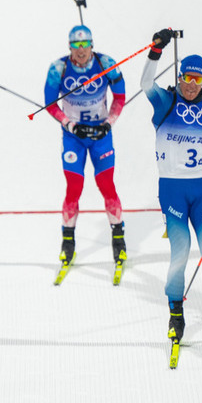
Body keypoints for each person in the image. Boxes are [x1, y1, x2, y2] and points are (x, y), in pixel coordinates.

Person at [142, 30, 202, 345]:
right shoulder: (165, 101)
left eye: (198, 80)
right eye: (187, 79)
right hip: (172, 193)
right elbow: (145, 85)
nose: (191, 86)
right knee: (179, 255)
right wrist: (156, 50)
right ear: (179, 77)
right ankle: (175, 312)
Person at [43, 24, 128, 267]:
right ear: (69, 46)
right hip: (74, 138)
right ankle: (68, 242)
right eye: (76, 45)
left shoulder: (106, 63)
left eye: (85, 44)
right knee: (74, 188)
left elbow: (120, 97)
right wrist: (70, 125)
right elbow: (50, 104)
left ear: (92, 44)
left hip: (101, 136)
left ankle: (118, 239)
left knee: (107, 186)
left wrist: (109, 123)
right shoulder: (58, 68)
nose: (81, 50)